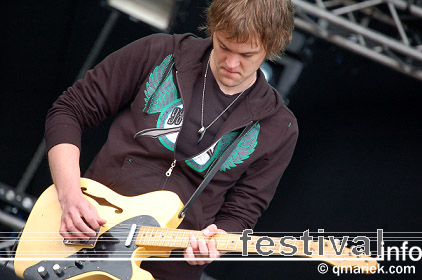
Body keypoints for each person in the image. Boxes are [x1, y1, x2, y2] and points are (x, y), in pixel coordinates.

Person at [44, 0, 297, 279]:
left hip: (168, 269)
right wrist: (70, 197)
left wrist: (217, 241)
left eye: (247, 54)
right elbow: (69, 110)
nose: (232, 63)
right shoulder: (160, 53)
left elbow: (241, 212)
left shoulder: (278, 126)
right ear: (212, 29)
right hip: (87, 236)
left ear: (273, 46)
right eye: (224, 45)